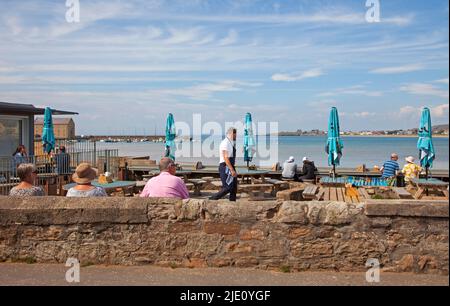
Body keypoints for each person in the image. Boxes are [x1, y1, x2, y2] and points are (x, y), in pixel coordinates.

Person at [210, 127, 238, 201]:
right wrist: (231, 170)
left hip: (230, 166)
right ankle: (211, 199)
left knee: (234, 188)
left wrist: (233, 168)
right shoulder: (225, 143)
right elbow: (226, 158)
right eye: (235, 134)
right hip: (225, 167)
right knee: (227, 187)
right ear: (231, 133)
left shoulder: (230, 143)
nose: (236, 136)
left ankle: (232, 204)